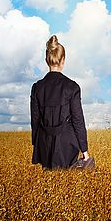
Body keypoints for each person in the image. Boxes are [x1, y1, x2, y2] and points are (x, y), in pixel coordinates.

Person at [31, 35, 91, 169]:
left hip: (44, 142)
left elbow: (35, 119)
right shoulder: (72, 87)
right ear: (63, 60)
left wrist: (37, 144)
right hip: (67, 144)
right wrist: (84, 151)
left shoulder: (37, 87)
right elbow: (78, 120)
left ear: (47, 60)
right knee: (67, 187)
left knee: (48, 186)